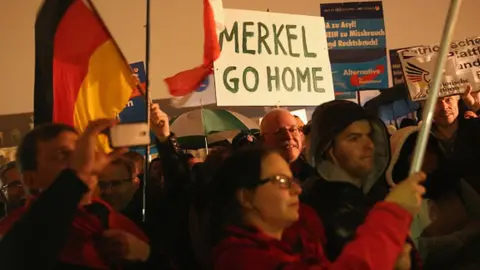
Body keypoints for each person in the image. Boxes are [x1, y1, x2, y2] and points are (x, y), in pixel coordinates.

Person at [208, 147, 426, 269]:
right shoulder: (241, 260)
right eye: (282, 182)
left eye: (293, 181)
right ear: (247, 197)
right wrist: (391, 214)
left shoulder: (303, 241)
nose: (297, 190)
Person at [0, 121, 164, 269]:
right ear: (30, 179)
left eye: (81, 151)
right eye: (63, 154)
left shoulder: (110, 220)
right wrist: (76, 176)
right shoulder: (14, 232)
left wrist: (146, 256)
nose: (84, 160)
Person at [303, 100, 420, 269]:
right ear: (329, 149)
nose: (369, 145)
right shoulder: (321, 207)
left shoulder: (373, 194)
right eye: (354, 139)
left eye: (370, 136)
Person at [386, 126, 480, 269]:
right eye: (419, 153)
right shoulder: (400, 198)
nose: (429, 157)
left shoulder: (453, 183)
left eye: (431, 151)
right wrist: (463, 237)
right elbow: (417, 248)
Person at [428, 85, 480, 193]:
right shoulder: (420, 141)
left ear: (457, 100)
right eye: (436, 102)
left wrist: (477, 107)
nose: (444, 107)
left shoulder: (475, 128)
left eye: (448, 99)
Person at [260, 109, 316, 184]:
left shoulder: (316, 173)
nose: (289, 137)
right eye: (279, 132)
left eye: (293, 130)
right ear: (263, 140)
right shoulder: (256, 177)